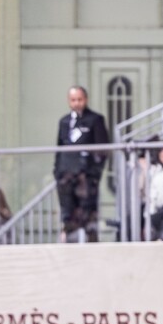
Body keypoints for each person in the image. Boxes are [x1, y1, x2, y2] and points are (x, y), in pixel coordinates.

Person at [54, 86, 111, 243]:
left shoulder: (95, 120)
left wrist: (94, 173)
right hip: (66, 176)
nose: (77, 103)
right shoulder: (64, 122)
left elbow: (102, 149)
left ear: (85, 99)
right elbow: (59, 148)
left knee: (88, 216)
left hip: (86, 177)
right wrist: (57, 172)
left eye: (80, 99)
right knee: (68, 215)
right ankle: (70, 246)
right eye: (73, 100)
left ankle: (91, 246)